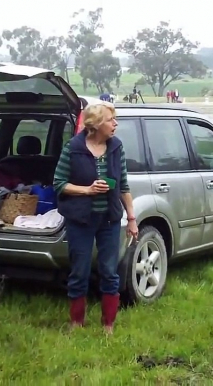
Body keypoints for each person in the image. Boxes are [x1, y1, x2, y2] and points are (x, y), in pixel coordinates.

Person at [53, 102, 139, 334]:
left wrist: (131, 218)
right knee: (79, 270)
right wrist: (87, 190)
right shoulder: (73, 148)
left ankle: (108, 324)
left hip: (109, 219)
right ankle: (76, 321)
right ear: (96, 124)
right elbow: (59, 184)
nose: (116, 124)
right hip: (80, 220)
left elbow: (123, 184)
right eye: (111, 120)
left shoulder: (116, 147)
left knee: (109, 270)